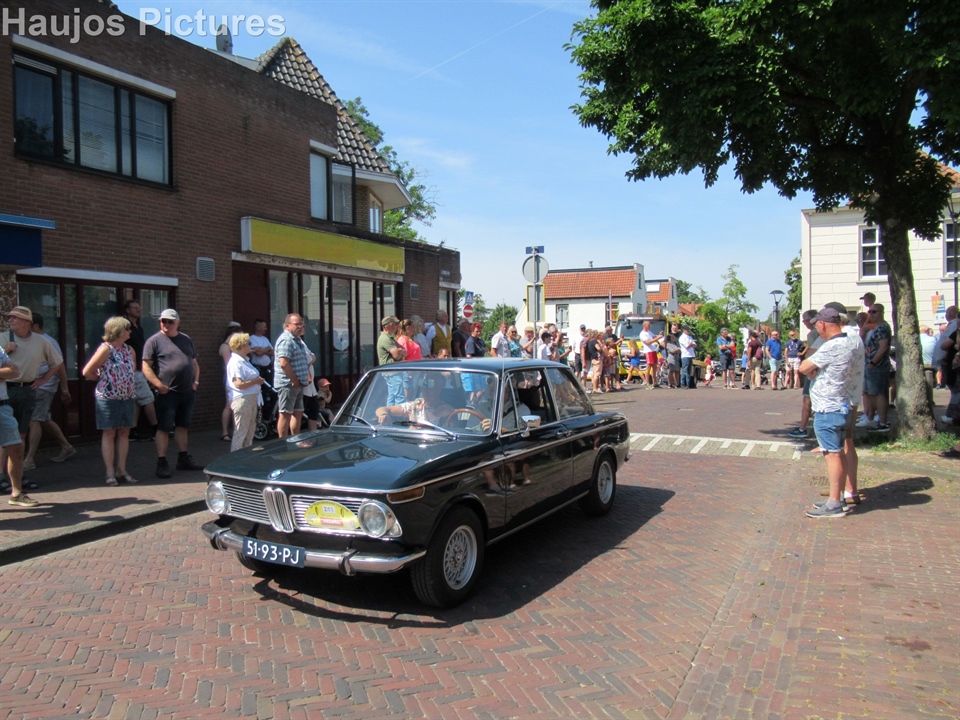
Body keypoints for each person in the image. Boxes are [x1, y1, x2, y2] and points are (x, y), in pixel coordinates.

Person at [800, 306, 856, 518]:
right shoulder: (848, 342)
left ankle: (834, 504)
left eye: (817, 325)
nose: (816, 328)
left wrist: (813, 370)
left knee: (831, 454)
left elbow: (804, 367)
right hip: (841, 404)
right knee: (838, 452)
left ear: (823, 324)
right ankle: (838, 498)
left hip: (828, 407)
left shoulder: (831, 345)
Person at [3, 305, 63, 491]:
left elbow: (57, 362)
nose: (11, 320)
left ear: (27, 322)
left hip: (27, 390)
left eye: (15, 317)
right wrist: (5, 350)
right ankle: (1, 477)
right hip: (5, 390)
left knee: (20, 435)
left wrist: (43, 379)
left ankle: (18, 477)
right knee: (4, 436)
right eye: (10, 317)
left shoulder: (41, 341)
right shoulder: (3, 338)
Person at [141, 308, 203, 478]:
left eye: (170, 321)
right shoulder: (154, 341)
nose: (166, 324)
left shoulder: (186, 339)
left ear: (178, 323)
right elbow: (146, 366)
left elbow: (194, 363)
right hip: (168, 393)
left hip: (187, 391)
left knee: (183, 425)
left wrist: (195, 383)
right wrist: (159, 385)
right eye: (163, 321)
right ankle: (161, 462)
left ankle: (183, 458)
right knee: (164, 427)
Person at [82, 316, 138, 486]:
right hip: (108, 398)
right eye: (127, 328)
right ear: (119, 331)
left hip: (127, 397)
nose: (130, 331)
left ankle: (122, 470)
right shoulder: (105, 349)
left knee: (124, 433)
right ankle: (110, 472)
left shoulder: (130, 350)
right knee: (109, 433)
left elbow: (133, 369)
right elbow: (87, 371)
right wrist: (101, 379)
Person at [23, 313, 75, 470]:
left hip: (43, 387)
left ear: (35, 326)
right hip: (33, 386)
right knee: (44, 418)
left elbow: (60, 366)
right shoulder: (31, 341)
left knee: (34, 420)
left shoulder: (47, 342)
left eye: (27, 324)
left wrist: (64, 390)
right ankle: (66, 446)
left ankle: (29, 459)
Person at [1, 346, 38, 507]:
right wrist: (3, 373)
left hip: (2, 406)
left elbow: (14, 372)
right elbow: (7, 372)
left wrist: (5, 373)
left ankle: (17, 493)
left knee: (16, 448)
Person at [122, 299, 159, 442]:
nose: (138, 309)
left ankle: (133, 430)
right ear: (127, 310)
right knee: (148, 398)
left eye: (139, 307)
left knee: (137, 400)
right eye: (134, 307)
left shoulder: (138, 327)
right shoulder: (125, 327)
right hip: (132, 370)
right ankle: (156, 429)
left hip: (140, 367)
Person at [225, 332, 264, 450]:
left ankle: (247, 456)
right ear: (242, 346)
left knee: (250, 432)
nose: (250, 346)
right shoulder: (235, 362)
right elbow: (238, 384)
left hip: (251, 398)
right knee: (241, 432)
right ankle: (236, 458)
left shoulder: (244, 360)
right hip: (243, 400)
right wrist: (256, 381)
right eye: (248, 343)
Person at [274, 313, 310, 438]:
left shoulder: (297, 340)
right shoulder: (286, 340)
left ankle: (296, 440)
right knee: (285, 414)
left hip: (298, 383)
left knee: (298, 413)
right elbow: (284, 363)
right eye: (296, 324)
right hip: (288, 384)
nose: (300, 326)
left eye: (301, 324)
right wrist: (294, 380)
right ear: (287, 326)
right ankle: (282, 443)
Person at [857, 303, 892, 431]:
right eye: (869, 312)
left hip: (878, 366)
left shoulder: (883, 327)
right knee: (870, 393)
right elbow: (862, 335)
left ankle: (883, 422)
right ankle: (870, 418)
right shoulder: (873, 328)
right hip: (869, 365)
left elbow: (883, 347)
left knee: (878, 394)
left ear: (882, 313)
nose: (871, 314)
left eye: (874, 312)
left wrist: (873, 362)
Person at [788, 310, 822, 438]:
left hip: (813, 370)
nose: (804, 323)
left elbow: (813, 353)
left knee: (807, 399)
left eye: (804, 320)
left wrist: (810, 369)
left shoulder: (813, 334)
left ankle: (803, 428)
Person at [218, 321, 242, 442]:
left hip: (236, 377)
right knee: (229, 405)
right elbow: (229, 364)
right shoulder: (225, 347)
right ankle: (225, 432)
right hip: (229, 378)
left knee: (236, 405)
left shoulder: (233, 347)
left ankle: (236, 430)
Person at [639, 321, 664, 389]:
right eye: (649, 325)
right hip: (648, 351)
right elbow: (648, 342)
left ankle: (655, 382)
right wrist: (657, 338)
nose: (650, 326)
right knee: (648, 367)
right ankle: (647, 383)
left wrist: (659, 335)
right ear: (644, 325)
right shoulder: (642, 334)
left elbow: (654, 336)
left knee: (654, 367)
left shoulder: (649, 332)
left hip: (653, 351)